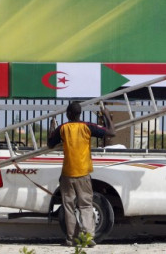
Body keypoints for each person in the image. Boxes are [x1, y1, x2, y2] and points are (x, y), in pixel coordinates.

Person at [47, 101, 116, 247]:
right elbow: (111, 133)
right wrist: (107, 115)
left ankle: (71, 239)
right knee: (85, 205)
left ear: (68, 114)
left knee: (69, 207)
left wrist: (52, 129)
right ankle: (87, 237)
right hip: (83, 173)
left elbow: (50, 144)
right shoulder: (87, 127)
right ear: (79, 113)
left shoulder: (63, 128)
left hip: (67, 174)